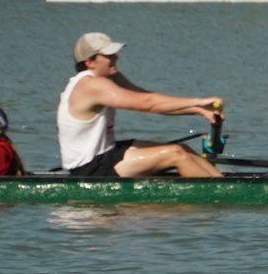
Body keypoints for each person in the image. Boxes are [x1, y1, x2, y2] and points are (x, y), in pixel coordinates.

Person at [57, 32, 225, 178]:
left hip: (107, 152)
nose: (116, 57)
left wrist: (199, 110)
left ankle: (225, 186)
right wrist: (198, 101)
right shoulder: (91, 85)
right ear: (89, 62)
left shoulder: (109, 78)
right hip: (89, 168)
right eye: (109, 55)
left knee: (182, 148)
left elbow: (149, 98)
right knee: (176, 154)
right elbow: (148, 104)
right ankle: (222, 196)